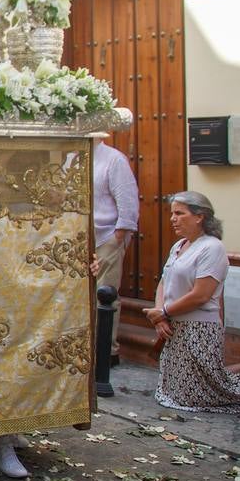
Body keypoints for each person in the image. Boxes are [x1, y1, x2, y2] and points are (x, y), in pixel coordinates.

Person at [147, 192, 240, 413]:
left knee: (195, 396)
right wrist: (159, 314)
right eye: (172, 214)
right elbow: (164, 281)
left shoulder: (212, 248)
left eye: (179, 213)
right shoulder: (179, 245)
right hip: (173, 326)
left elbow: (201, 295)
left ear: (199, 216)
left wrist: (163, 312)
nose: (173, 219)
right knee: (177, 392)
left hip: (199, 328)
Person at [93, 139, 139, 363]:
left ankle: (107, 350)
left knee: (105, 293)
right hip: (81, 238)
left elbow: (128, 203)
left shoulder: (113, 159)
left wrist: (117, 237)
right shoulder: (72, 157)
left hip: (106, 237)